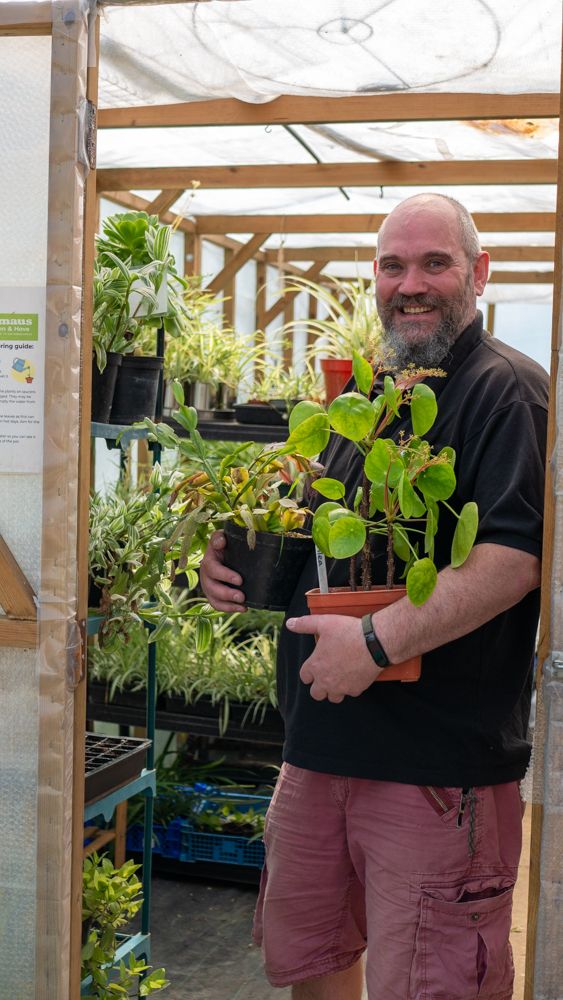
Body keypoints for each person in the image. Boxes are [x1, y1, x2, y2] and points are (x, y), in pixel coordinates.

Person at [200, 194, 548, 1000]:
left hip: (432, 768)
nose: (410, 284)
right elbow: (322, 533)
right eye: (392, 265)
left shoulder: (507, 393)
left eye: (434, 263)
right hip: (319, 750)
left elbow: (513, 557)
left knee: (430, 981)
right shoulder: (371, 398)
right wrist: (232, 555)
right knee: (314, 961)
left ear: (478, 274)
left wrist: (376, 643)